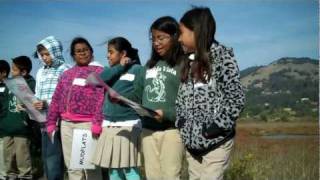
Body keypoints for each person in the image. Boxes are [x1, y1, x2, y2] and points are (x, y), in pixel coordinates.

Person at [175, 7, 245, 180]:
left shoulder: (222, 57)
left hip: (215, 141)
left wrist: (215, 128)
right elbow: (180, 100)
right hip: (192, 144)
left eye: (181, 33)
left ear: (196, 32)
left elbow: (235, 98)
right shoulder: (188, 62)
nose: (178, 38)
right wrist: (182, 123)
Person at [126, 16, 185, 180]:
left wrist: (166, 114)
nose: (156, 43)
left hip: (172, 130)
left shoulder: (183, 64)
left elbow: (188, 104)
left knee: (171, 175)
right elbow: (137, 94)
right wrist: (122, 99)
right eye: (153, 39)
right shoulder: (148, 66)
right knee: (153, 176)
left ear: (174, 37)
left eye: (161, 38)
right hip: (148, 130)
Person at [46, 37, 104, 180]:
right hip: (66, 125)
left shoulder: (100, 72)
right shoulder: (66, 75)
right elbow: (56, 99)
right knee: (72, 167)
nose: (82, 53)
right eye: (78, 51)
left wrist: (97, 122)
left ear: (91, 52)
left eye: (85, 50)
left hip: (86, 125)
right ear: (73, 55)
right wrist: (51, 122)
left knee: (90, 167)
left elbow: (102, 98)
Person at [92, 37, 143, 180]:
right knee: (113, 170)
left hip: (128, 125)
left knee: (129, 169)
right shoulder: (110, 71)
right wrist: (120, 67)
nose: (107, 55)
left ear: (123, 53)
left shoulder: (137, 69)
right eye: (107, 52)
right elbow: (96, 80)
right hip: (108, 125)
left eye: (111, 52)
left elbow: (140, 94)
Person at [32, 35, 69, 180]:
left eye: (47, 54)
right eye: (42, 55)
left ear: (56, 51)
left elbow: (66, 96)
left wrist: (47, 103)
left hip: (57, 120)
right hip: (42, 119)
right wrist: (29, 102)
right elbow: (37, 93)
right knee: (46, 156)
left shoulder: (65, 69)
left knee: (54, 157)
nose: (44, 57)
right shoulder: (41, 71)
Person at [0, 56, 35, 180]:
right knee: (7, 156)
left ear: (24, 72)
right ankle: (11, 175)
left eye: (14, 69)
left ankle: (25, 176)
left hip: (22, 128)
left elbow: (34, 103)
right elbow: (3, 103)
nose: (11, 72)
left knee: (22, 156)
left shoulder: (31, 83)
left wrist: (26, 119)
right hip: (6, 127)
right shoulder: (9, 84)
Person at [0, 60, 10, 180]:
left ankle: (5, 175)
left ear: (3, 73)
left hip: (5, 125)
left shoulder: (10, 86)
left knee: (4, 153)